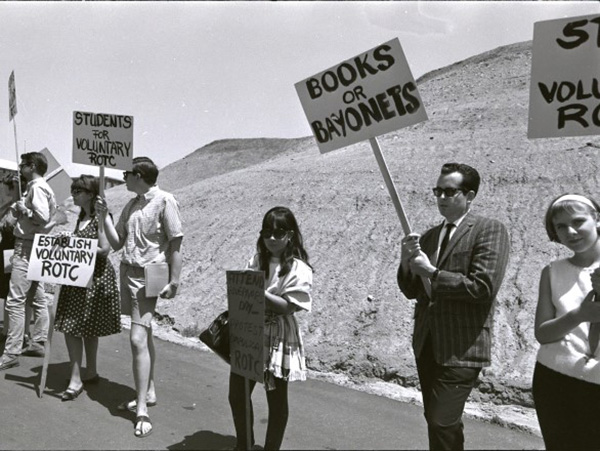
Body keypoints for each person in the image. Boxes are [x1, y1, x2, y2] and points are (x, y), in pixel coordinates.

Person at [397, 162, 510, 450]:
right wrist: (406, 262)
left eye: (450, 191)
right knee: (438, 421)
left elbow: (483, 287)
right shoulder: (429, 236)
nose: (442, 198)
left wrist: (433, 272)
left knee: (441, 420)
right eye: (438, 191)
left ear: (469, 195)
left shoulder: (489, 230)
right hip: (428, 343)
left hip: (462, 346)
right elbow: (412, 291)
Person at [96, 156, 183, 438]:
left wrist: (175, 280)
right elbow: (117, 242)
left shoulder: (165, 201)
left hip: (152, 274)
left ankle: (142, 408)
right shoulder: (132, 204)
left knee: (136, 338)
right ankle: (150, 390)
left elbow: (176, 244)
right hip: (128, 272)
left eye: (127, 174)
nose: (123, 178)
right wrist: (104, 217)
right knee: (144, 334)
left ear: (139, 175)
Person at [228, 206, 313, 451]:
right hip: (250, 333)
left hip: (277, 337)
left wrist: (258, 292)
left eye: (279, 232)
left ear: (291, 235)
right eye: (267, 232)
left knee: (275, 399)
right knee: (238, 394)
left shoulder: (298, 268)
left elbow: (288, 306)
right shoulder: (256, 260)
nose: (272, 238)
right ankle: (243, 444)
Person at [533, 193, 600, 449]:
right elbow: (543, 333)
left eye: (578, 221)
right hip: (554, 380)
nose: (570, 231)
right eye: (561, 226)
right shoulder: (552, 272)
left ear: (597, 219)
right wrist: (579, 316)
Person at [54, 175, 121, 401]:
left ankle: (78, 379)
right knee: (80, 327)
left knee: (75, 327)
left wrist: (75, 244)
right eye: (73, 190)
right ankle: (87, 372)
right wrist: (67, 241)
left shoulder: (102, 217)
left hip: (95, 278)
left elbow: (104, 249)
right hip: (80, 278)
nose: (73, 194)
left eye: (78, 191)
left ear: (91, 194)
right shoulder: (82, 218)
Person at [0, 152, 57, 370]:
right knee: (37, 295)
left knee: (15, 300)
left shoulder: (36, 187)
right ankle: (38, 340)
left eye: (22, 165)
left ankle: (11, 351)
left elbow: (41, 216)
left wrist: (24, 209)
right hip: (38, 244)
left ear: (31, 166)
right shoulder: (44, 186)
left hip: (27, 245)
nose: (20, 168)